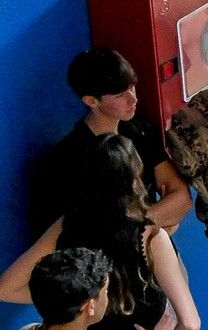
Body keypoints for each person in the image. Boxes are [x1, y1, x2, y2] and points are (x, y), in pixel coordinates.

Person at [1, 136, 201, 330]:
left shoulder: (67, 226)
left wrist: (68, 298)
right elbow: (190, 323)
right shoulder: (150, 236)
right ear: (134, 180)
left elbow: (7, 287)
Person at [31, 46, 190, 233]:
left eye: (131, 86)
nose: (133, 99)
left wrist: (146, 226)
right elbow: (93, 234)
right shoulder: (69, 159)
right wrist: (160, 225)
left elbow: (182, 198)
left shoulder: (138, 130)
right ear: (91, 101)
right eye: (119, 95)